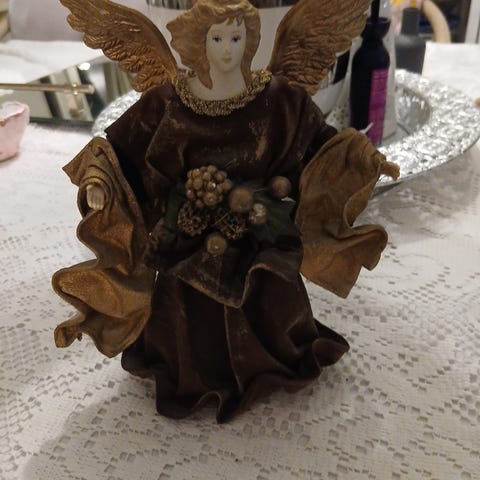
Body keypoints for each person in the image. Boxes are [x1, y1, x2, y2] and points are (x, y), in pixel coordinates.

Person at [54, 0, 398, 422]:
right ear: (199, 43)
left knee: (269, 300)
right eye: (216, 38)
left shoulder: (279, 100)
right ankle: (194, 371)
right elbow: (118, 152)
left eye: (237, 37)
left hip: (258, 238)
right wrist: (98, 181)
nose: (227, 48)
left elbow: (320, 143)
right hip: (188, 246)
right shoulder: (167, 102)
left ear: (250, 41)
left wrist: (364, 159)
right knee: (189, 315)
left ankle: (269, 358)